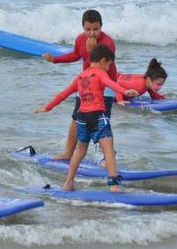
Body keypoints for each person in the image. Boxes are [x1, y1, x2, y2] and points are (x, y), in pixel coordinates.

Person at [35, 45, 138, 192]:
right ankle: (114, 184)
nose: (109, 68)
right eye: (109, 64)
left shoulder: (80, 76)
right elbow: (112, 84)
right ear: (103, 61)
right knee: (108, 148)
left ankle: (68, 182)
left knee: (80, 150)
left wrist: (48, 107)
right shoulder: (101, 73)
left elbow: (64, 93)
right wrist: (125, 91)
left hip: (82, 117)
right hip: (97, 115)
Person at [42, 10, 117, 160]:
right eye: (88, 29)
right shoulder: (80, 39)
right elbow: (75, 55)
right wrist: (55, 59)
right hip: (86, 86)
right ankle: (68, 153)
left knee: (102, 123)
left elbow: (98, 69)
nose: (92, 33)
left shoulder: (108, 44)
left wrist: (91, 52)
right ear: (83, 27)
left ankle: (107, 157)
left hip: (105, 87)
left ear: (101, 27)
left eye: (96, 29)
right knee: (76, 118)